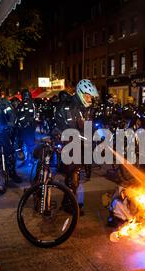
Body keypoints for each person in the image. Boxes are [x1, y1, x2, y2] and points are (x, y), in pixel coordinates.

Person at [54, 79, 99, 214]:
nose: (89, 99)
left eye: (91, 96)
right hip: (67, 143)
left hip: (80, 145)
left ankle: (68, 200)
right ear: (80, 93)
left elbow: (88, 126)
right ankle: (69, 204)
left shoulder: (87, 109)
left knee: (76, 174)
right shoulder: (65, 106)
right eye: (87, 96)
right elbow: (60, 125)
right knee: (72, 173)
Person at [16, 89, 37, 164]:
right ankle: (22, 156)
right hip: (21, 127)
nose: (26, 97)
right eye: (24, 95)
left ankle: (31, 158)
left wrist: (28, 122)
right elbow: (17, 114)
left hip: (29, 126)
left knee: (30, 143)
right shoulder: (20, 104)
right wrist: (19, 122)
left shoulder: (32, 104)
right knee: (20, 141)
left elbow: (34, 115)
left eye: (27, 95)